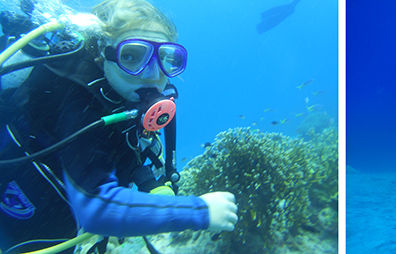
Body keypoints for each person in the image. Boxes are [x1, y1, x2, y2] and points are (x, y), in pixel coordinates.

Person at [0, 0, 238, 253]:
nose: (152, 73)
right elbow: (97, 208)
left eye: (167, 59)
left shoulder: (125, 101)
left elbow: (127, 154)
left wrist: (148, 187)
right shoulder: (78, 103)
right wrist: (198, 212)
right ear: (101, 55)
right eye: (131, 56)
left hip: (44, 229)